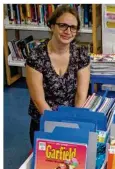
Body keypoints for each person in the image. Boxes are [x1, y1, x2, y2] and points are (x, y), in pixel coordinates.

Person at [26, 5, 90, 147]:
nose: (68, 31)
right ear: (52, 26)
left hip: (72, 120)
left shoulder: (81, 54)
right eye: (63, 26)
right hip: (44, 119)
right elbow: (38, 100)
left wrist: (73, 121)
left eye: (73, 27)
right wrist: (56, 126)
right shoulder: (36, 56)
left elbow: (81, 95)